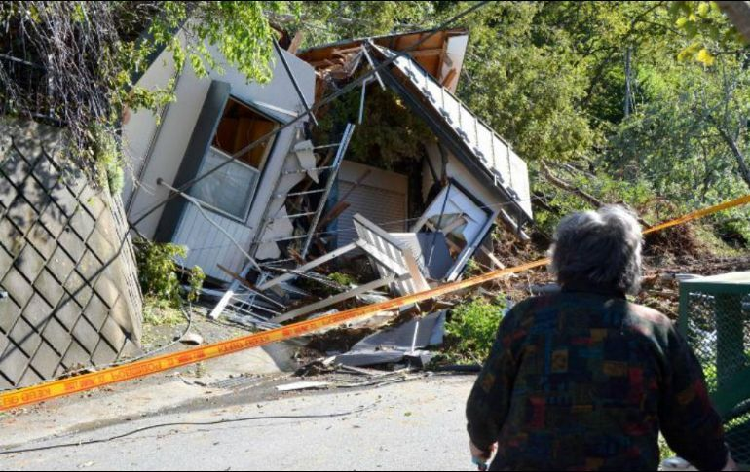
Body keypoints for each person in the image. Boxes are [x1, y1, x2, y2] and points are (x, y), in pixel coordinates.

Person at [466, 205, 736, 471]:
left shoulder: (525, 319)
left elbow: (487, 400)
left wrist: (481, 442)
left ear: (560, 259)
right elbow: (692, 419)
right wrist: (719, 462)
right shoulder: (654, 329)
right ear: (630, 263)